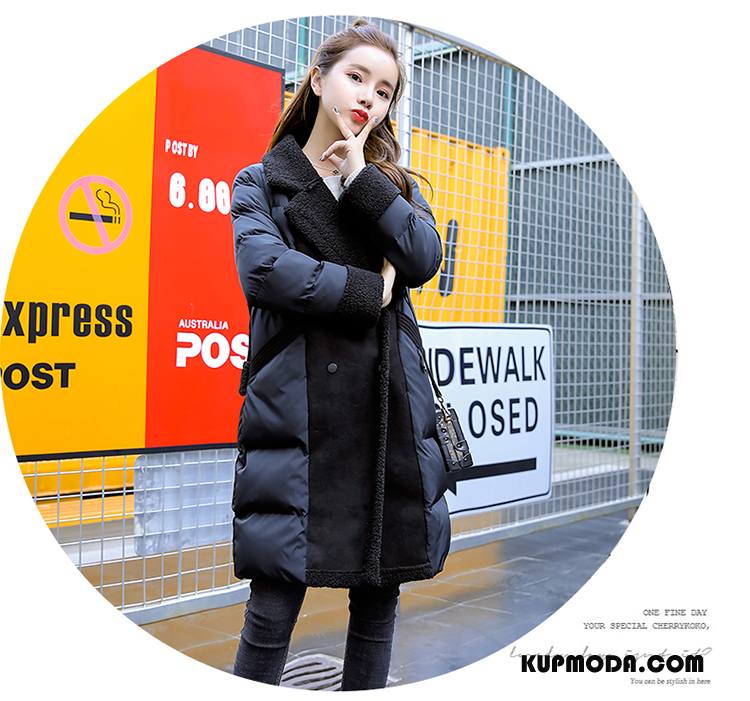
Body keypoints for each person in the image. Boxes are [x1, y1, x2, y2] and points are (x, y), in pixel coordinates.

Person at [230, 18, 451, 690]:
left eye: (384, 91)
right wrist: (368, 290)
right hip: (299, 409)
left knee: (379, 594)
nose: (368, 98)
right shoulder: (263, 181)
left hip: (386, 406)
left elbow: (424, 257)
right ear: (319, 78)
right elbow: (265, 270)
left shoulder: (393, 186)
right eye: (356, 77)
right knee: (274, 601)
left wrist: (361, 179)